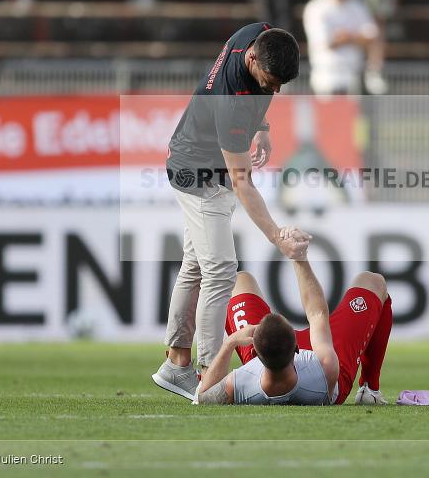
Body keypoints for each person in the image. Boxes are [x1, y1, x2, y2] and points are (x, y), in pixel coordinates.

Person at [153, 23, 309, 400]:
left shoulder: (258, 34)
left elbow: (262, 87)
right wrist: (277, 237)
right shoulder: (232, 102)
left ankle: (175, 366)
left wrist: (265, 124)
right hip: (199, 175)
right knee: (221, 269)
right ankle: (209, 373)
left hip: (197, 163)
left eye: (279, 87)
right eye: (270, 82)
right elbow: (243, 183)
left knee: (195, 265)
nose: (273, 90)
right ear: (253, 58)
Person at [195, 227, 393, 405]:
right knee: (373, 281)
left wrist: (230, 343)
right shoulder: (326, 368)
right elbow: (317, 313)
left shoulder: (242, 380)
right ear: (298, 347)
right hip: (327, 375)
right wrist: (299, 257)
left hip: (270, 364)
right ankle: (370, 388)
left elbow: (202, 396)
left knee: (239, 279)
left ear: (253, 348)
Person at [303, 0, 386, 96]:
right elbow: (327, 42)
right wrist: (356, 39)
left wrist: (348, 38)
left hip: (354, 80)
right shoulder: (316, 7)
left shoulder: (358, 5)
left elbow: (372, 38)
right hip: (326, 81)